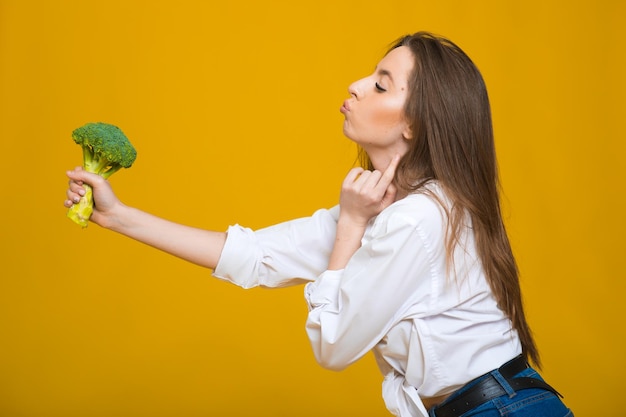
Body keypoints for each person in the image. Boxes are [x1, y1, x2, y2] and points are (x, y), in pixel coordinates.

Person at [64, 32, 572, 417]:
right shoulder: (391, 206)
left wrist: (349, 228)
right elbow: (254, 255)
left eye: (380, 84)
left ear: (414, 122)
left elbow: (333, 347)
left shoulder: (417, 218)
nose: (355, 85)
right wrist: (119, 216)